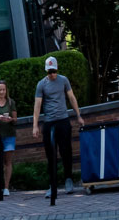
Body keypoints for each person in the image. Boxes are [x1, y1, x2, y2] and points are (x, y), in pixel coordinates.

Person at [32, 56, 85, 197]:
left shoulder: (64, 80)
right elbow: (37, 105)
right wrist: (35, 125)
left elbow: (71, 98)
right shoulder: (41, 84)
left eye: (54, 71)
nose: (52, 74)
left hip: (63, 120)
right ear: (46, 71)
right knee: (51, 154)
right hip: (49, 122)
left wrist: (78, 115)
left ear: (57, 69)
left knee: (66, 151)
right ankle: (52, 184)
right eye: (50, 72)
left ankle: (68, 179)